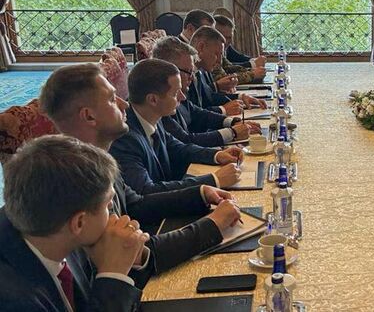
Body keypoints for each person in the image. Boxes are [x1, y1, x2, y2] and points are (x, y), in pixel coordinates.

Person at [38, 63, 241, 282]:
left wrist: (201, 193)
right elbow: (134, 252)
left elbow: (137, 203)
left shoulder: (97, 159)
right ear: (89, 117)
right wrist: (213, 225)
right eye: (112, 99)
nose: (124, 103)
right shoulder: (76, 185)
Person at [0, 135, 146, 311]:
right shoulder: (16, 301)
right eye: (108, 204)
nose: (113, 211)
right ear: (79, 222)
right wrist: (113, 275)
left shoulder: (53, 227)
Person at [109, 59, 245, 195]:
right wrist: (214, 180)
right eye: (175, 93)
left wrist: (217, 155)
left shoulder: (152, 116)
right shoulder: (125, 138)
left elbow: (178, 148)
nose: (183, 97)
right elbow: (147, 190)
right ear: (153, 100)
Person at [152, 36, 262, 147]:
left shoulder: (179, 93)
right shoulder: (159, 101)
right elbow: (185, 142)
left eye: (192, 72)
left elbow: (197, 113)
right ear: (169, 70)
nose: (192, 77)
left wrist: (233, 122)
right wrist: (232, 132)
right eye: (188, 72)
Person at [187, 26, 267, 115]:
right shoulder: (185, 73)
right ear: (201, 47)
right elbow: (191, 115)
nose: (219, 61)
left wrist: (240, 97)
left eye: (221, 55)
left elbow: (209, 97)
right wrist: (223, 110)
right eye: (216, 54)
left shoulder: (200, 69)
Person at [212, 14, 266, 84]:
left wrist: (252, 70)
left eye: (229, 38)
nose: (225, 41)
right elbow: (222, 78)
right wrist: (252, 74)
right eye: (223, 37)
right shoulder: (210, 53)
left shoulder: (220, 51)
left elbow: (229, 67)